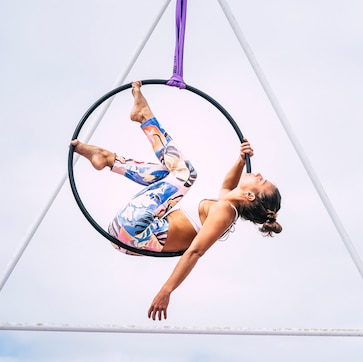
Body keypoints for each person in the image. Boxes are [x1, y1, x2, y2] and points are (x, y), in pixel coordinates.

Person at [71, 81, 282, 320]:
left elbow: (195, 252)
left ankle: (141, 120)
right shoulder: (227, 205)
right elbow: (226, 186)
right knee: (170, 175)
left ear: (250, 196)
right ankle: (108, 158)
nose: (261, 175)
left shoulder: (224, 211)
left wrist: (166, 290)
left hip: (136, 230)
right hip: (128, 236)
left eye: (263, 181)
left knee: (186, 174)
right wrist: (240, 160)